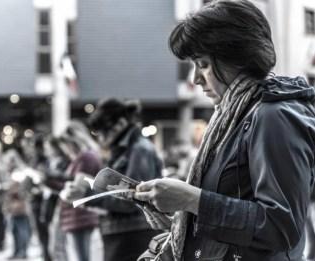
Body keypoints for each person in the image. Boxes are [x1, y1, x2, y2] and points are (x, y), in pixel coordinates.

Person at [133, 1, 315, 260]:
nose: (196, 78)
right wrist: (181, 215)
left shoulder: (273, 116)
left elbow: (282, 227)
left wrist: (192, 200)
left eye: (204, 64)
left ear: (236, 58)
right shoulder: (233, 115)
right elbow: (232, 208)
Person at [87, 98, 163, 261]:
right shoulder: (125, 149)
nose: (100, 139)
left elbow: (132, 200)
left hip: (133, 234)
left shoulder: (139, 150)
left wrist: (88, 195)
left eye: (102, 132)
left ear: (120, 124)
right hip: (123, 232)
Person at [58, 121, 103, 261]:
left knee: (81, 256)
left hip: (80, 214)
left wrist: (61, 186)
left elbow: (79, 188)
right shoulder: (83, 157)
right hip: (78, 214)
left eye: (66, 144)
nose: (65, 148)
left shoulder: (86, 157)